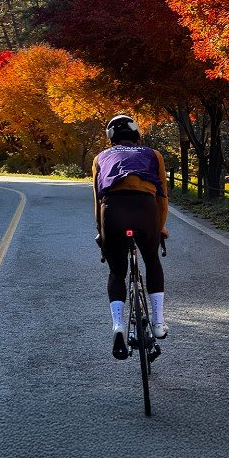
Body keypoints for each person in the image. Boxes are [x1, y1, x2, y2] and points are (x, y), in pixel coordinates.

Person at [93, 114, 169, 360]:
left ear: (111, 138)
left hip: (112, 211)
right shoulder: (153, 154)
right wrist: (161, 227)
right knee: (152, 261)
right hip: (145, 210)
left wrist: (101, 231)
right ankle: (158, 323)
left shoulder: (100, 158)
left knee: (117, 272)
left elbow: (98, 199)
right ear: (137, 134)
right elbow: (162, 197)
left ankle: (118, 324)